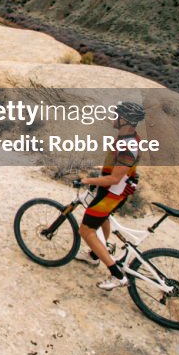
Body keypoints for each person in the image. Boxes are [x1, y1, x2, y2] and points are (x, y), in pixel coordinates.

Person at [74, 101, 145, 291]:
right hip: (112, 191)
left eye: (117, 115)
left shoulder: (128, 145)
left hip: (112, 194)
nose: (114, 117)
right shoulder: (126, 138)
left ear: (125, 120)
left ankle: (117, 276)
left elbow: (114, 178)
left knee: (87, 231)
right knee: (101, 220)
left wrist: (88, 181)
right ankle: (94, 255)